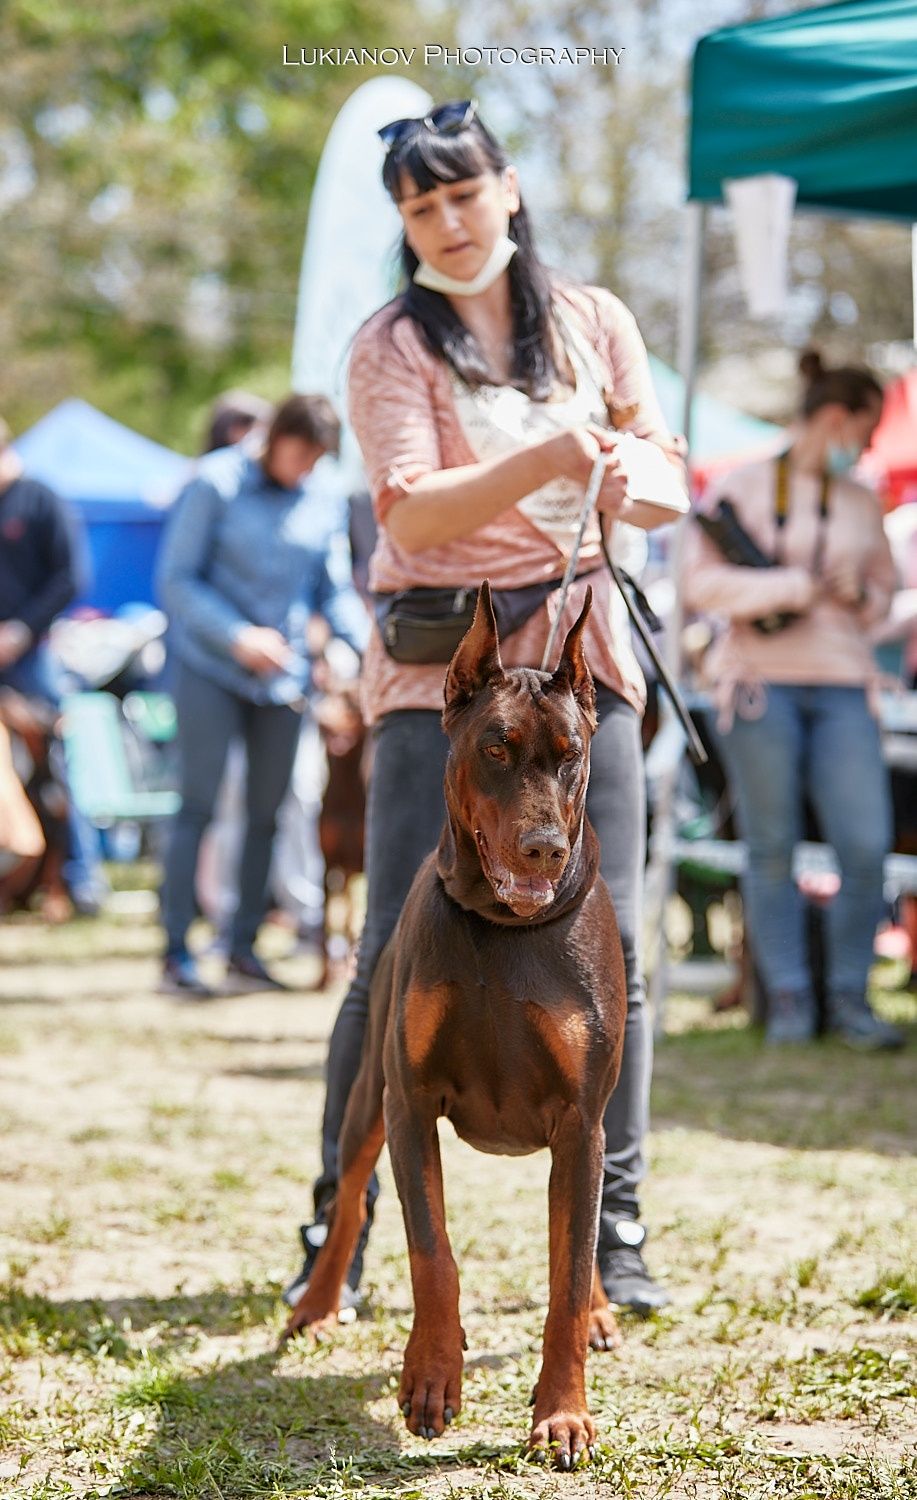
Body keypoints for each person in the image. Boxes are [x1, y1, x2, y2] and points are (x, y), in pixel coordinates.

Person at [283, 99, 690, 1319]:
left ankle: (613, 1231)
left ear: (508, 189)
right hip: (438, 688)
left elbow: (665, 478)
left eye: (464, 194)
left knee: (611, 961)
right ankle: (336, 1228)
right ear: (404, 223)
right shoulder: (386, 347)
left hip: (582, 674)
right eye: (421, 207)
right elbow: (410, 514)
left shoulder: (593, 320)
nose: (448, 223)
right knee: (384, 961)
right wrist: (560, 454)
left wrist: (633, 472)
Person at [682, 351, 904, 1051]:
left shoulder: (862, 499)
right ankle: (785, 1000)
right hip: (758, 684)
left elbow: (885, 597)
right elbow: (699, 586)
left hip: (843, 685)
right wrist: (789, 587)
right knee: (769, 847)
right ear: (836, 418)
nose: (862, 451)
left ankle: (849, 998)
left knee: (864, 844)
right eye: (863, 435)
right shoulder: (742, 485)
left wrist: (855, 593)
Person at [156, 394, 368, 997]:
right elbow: (176, 579)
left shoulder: (324, 495)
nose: (305, 468)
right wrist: (237, 635)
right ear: (274, 438)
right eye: (299, 453)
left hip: (284, 680)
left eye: (316, 459)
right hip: (210, 669)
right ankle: (177, 949)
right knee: (197, 804)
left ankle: (244, 947)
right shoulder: (214, 482)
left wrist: (369, 643)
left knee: (267, 813)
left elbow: (332, 589)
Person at [0, 416, 107, 915]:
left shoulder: (39, 499)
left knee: (59, 765)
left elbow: (70, 576)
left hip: (32, 657)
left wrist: (20, 630)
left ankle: (81, 879)